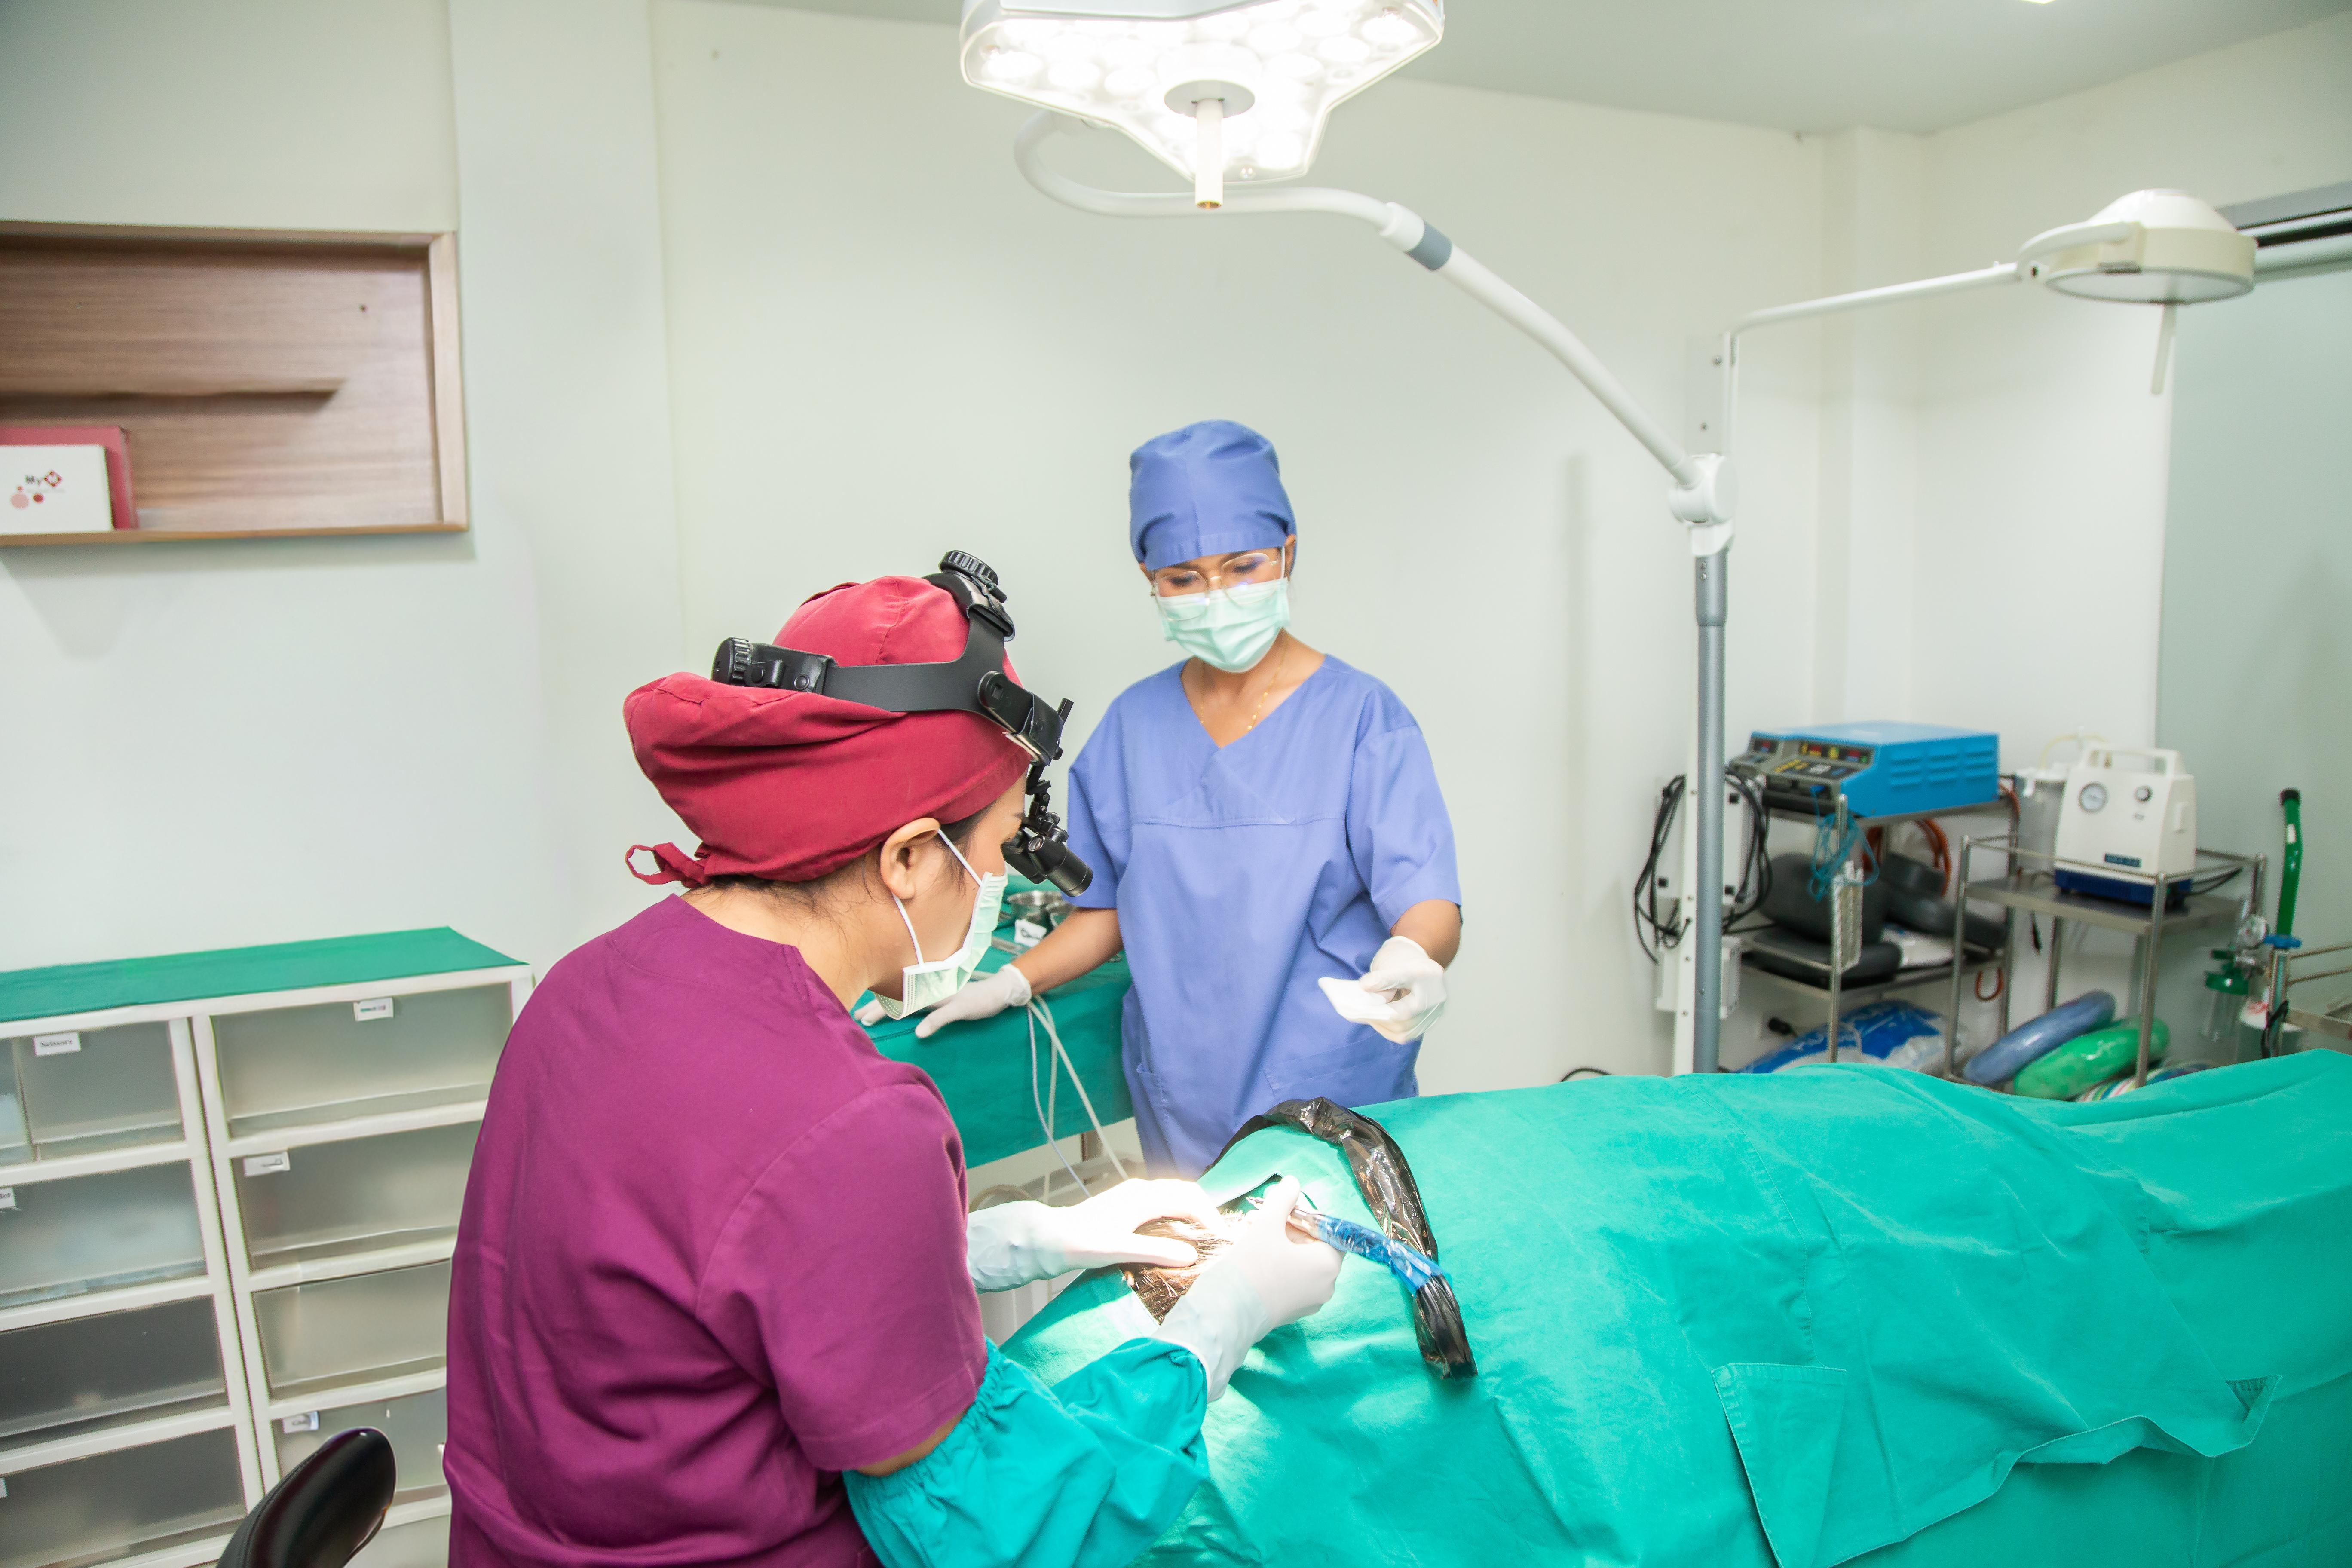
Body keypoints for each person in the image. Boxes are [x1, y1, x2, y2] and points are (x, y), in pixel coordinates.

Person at [442, 567, 1341, 1568]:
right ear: (911, 857)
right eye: (1004, 843)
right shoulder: (854, 1118)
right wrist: (1225, 1317)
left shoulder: (584, 991)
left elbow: (706, 1277)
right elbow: (1006, 1528)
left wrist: (1027, 1236)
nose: (1004, 877)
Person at [900, 421, 1463, 1176]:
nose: (1217, 595)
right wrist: (1011, 981)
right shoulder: (1133, 727)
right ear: (1148, 576)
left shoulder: (1364, 719)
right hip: (1182, 1099)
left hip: (1335, 1087)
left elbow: (1427, 900)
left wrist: (1415, 957)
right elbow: (1105, 913)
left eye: (1243, 566)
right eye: (1185, 578)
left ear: (1289, 550)